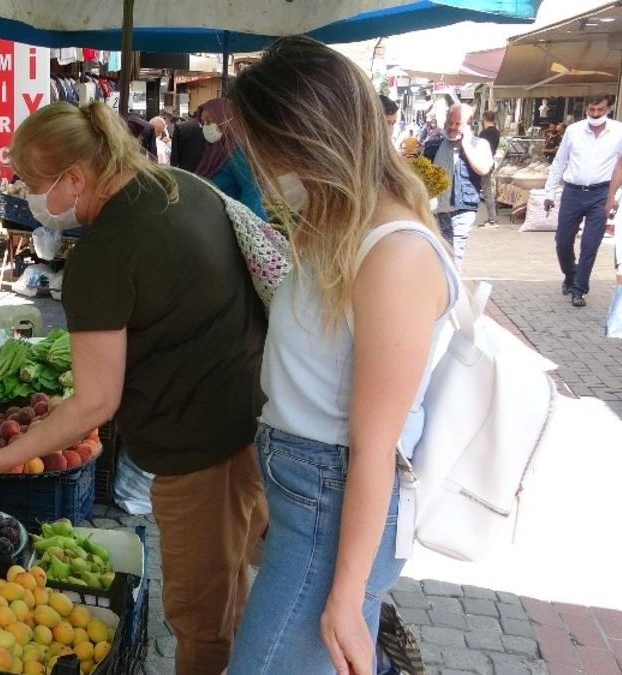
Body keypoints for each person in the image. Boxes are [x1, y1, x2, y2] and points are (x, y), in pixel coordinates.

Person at [0, 100, 268, 674]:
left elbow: (95, 401)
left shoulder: (104, 253)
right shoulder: (181, 188)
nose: (26, 196)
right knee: (233, 586)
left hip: (195, 448)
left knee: (201, 619)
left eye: (32, 183)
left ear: (75, 178)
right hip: (253, 420)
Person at [226, 36, 459, 675]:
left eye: (265, 150)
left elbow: (374, 447)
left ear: (310, 144)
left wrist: (347, 595)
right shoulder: (335, 226)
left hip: (333, 501)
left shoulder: (395, 254)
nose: (258, 167)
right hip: (308, 492)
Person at [546, 93, 622, 307]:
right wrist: (550, 193)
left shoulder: (618, 132)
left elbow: (621, 167)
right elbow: (559, 162)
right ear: (586, 109)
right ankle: (570, 275)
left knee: (590, 244)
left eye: (600, 110)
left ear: (608, 109)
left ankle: (579, 289)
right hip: (572, 192)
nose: (595, 114)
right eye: (592, 110)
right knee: (562, 241)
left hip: (601, 194)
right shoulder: (574, 131)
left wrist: (613, 197)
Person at [423, 103, 493, 269]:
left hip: (462, 209)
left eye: (458, 124)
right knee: (437, 255)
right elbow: (422, 176)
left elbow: (482, 169)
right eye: (450, 122)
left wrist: (466, 143)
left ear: (469, 125)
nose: (452, 127)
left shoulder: (479, 144)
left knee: (454, 255)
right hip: (436, 210)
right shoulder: (433, 145)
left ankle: (451, 291)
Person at [195, 97, 268, 219]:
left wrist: (243, 221)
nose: (206, 127)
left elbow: (253, 188)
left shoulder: (237, 151)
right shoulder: (214, 150)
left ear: (225, 119)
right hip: (220, 222)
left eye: (209, 121)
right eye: (203, 123)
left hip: (240, 225)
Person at [480, 110, 502, 226]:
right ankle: (492, 218)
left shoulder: (485, 133)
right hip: (490, 162)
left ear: (484, 118)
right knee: (487, 190)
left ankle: (492, 219)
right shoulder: (496, 132)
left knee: (487, 191)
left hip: (482, 163)